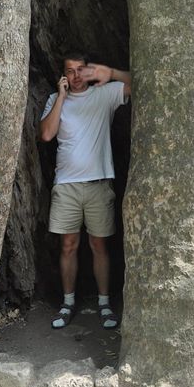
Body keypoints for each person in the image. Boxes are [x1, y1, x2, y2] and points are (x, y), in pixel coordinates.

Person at [40, 52, 131, 329]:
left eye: (81, 69)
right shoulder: (56, 100)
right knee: (68, 246)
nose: (77, 75)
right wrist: (61, 96)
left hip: (99, 183)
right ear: (64, 75)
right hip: (66, 185)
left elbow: (143, 82)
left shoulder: (103, 95)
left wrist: (111, 72)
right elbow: (46, 134)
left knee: (99, 245)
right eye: (71, 70)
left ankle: (104, 304)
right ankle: (68, 303)